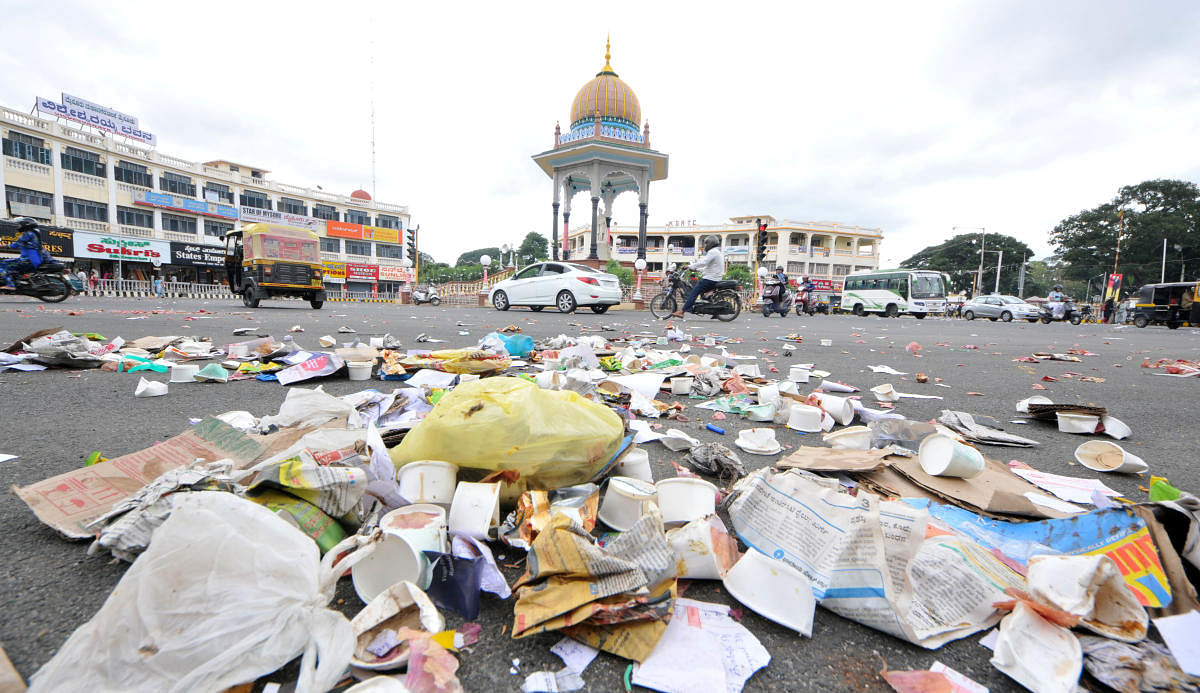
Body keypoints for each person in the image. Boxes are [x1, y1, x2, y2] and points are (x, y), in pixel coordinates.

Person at [670, 235, 724, 318]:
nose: (705, 246)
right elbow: (706, 268)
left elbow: (704, 262)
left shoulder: (713, 252)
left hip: (710, 279)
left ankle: (682, 311)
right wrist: (696, 269)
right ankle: (715, 312)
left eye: (706, 244)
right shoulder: (717, 252)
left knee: (693, 293)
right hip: (714, 278)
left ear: (711, 243)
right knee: (703, 295)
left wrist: (690, 266)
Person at [0, 217, 48, 290]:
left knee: (2, 264)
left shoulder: (28, 234)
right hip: (35, 259)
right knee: (13, 268)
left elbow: (16, 244)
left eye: (20, 224)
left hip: (28, 260)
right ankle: (18, 281)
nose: (19, 226)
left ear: (25, 225)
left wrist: (3, 245)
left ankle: (10, 284)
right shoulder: (36, 232)